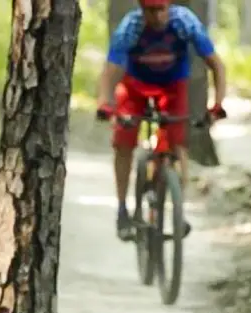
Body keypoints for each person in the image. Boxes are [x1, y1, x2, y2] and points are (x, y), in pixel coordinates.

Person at [96, 0, 227, 240]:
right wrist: (104, 102)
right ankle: (123, 209)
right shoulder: (130, 27)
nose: (155, 16)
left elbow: (216, 65)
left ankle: (179, 209)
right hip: (135, 85)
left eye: (160, 10)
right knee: (123, 141)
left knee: (178, 144)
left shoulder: (184, 23)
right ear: (141, 9)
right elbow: (110, 70)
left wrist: (218, 104)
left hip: (173, 85)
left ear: (169, 7)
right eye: (149, 10)